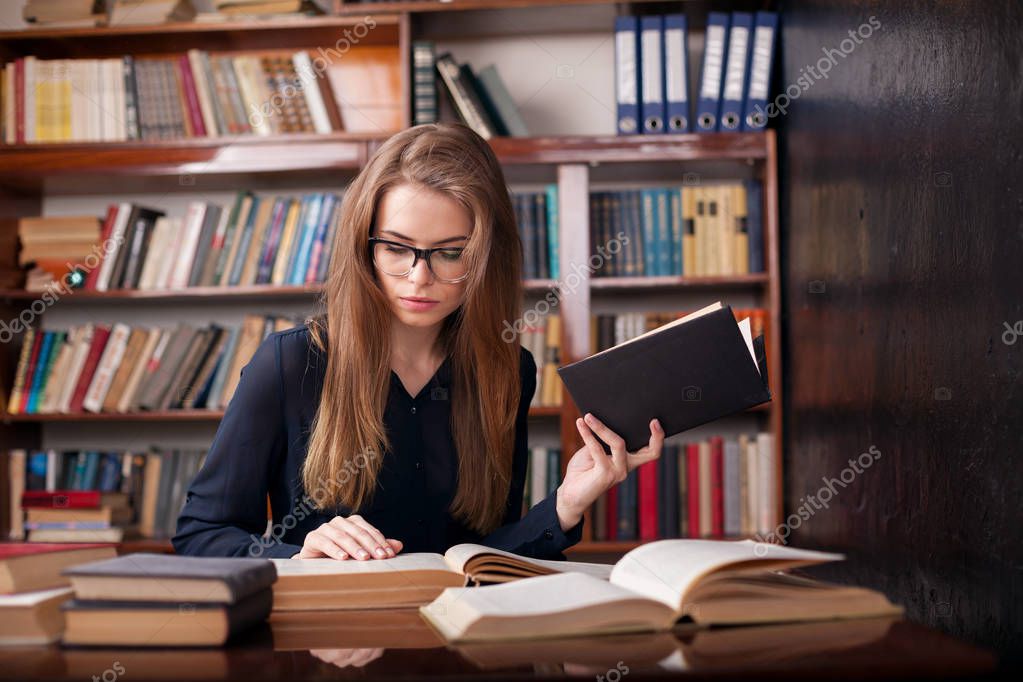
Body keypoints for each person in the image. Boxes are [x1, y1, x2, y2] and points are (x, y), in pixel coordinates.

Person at [172, 122, 663, 562]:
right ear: (364, 247)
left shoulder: (510, 369)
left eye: (451, 254)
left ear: (488, 257)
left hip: (460, 640)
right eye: (395, 248)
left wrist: (565, 505)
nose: (418, 277)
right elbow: (201, 535)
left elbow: (481, 554)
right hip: (327, 646)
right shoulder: (289, 362)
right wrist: (297, 555)